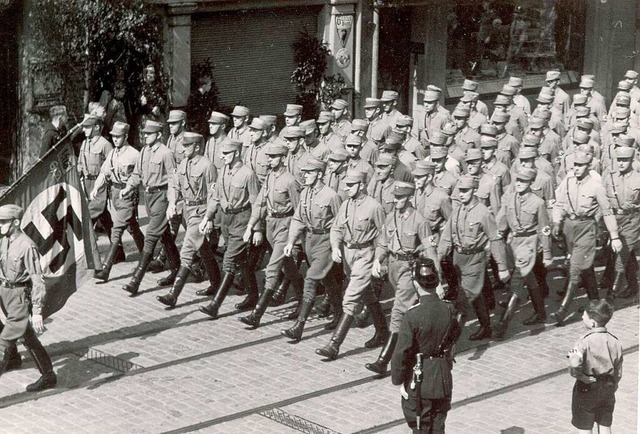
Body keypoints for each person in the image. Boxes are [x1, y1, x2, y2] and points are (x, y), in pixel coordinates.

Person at [366, 181, 440, 375]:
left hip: (409, 267)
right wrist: (377, 260)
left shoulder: (419, 221)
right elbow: (383, 243)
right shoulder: (391, 217)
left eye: (399, 198)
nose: (395, 200)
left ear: (409, 198)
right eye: (395, 197)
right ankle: (415, 344)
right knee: (406, 311)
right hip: (393, 266)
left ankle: (383, 360)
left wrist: (438, 279)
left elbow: (430, 250)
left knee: (398, 310)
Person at [316, 169, 387, 360]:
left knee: (351, 296)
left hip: (365, 254)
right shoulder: (346, 204)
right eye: (346, 185)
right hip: (349, 254)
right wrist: (335, 246)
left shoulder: (374, 207)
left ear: (362, 185)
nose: (346, 189)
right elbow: (337, 228)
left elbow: (384, 237)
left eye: (350, 185)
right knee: (366, 292)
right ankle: (383, 332)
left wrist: (378, 260)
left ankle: (334, 345)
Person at [551, 151, 623, 325]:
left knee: (575, 267)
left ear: (588, 166)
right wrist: (557, 222)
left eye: (580, 165)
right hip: (570, 228)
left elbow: (606, 211)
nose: (576, 168)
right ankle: (596, 303)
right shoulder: (568, 182)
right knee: (586, 267)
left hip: (586, 229)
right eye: (574, 165)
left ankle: (562, 310)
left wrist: (614, 236)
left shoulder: (596, 186)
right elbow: (559, 203)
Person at [390, 257, 460, 434]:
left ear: (415, 283)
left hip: (420, 380)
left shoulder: (412, 315)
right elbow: (455, 332)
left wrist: (398, 379)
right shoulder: (448, 308)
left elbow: (402, 352)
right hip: (443, 376)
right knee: (439, 424)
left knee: (421, 426)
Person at [438, 174, 510, 341]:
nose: (461, 194)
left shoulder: (483, 213)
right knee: (474, 295)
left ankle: (448, 341)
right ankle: (486, 326)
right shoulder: (456, 212)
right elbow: (446, 239)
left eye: (465, 191)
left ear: (474, 190)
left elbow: (495, 239)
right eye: (460, 191)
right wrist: (438, 261)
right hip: (458, 260)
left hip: (475, 260)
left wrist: (502, 267)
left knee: (463, 300)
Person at [239, 142, 303, 328]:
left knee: (273, 269)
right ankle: (303, 299)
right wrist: (251, 226)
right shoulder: (269, 178)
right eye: (268, 157)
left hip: (285, 225)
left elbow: (298, 210)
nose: (269, 160)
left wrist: (295, 235)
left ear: (282, 158)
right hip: (271, 226)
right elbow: (259, 204)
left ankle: (256, 314)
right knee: (288, 267)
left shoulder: (290, 181)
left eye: (273, 157)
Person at [281, 157, 343, 341]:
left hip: (325, 240)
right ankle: (339, 314)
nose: (304, 175)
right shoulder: (305, 193)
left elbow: (339, 224)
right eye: (304, 172)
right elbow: (298, 218)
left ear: (320, 174)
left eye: (309, 172)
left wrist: (336, 246)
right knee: (328, 279)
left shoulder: (331, 196)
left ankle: (299, 326)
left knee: (311, 279)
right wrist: (291, 241)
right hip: (309, 240)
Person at [156, 132, 220, 309]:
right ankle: (216, 282)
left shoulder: (208, 166)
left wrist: (209, 218)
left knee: (187, 249)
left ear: (197, 147)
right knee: (203, 248)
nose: (182, 149)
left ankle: (173, 295)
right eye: (182, 146)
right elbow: (174, 185)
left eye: (187, 146)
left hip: (201, 212)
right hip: (187, 210)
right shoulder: (183, 164)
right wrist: (172, 202)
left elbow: (213, 195)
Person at [198, 138, 260, 319]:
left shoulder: (248, 174)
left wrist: (257, 228)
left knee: (229, 260)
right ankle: (253, 296)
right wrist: (207, 217)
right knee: (242, 261)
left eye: (225, 154)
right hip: (226, 219)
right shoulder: (224, 171)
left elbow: (257, 203)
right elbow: (216, 197)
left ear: (236, 153)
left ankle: (215, 305)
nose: (221, 156)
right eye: (221, 153)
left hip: (242, 219)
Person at [119, 120, 180, 296]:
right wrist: (128, 187)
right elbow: (137, 174)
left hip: (162, 197)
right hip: (149, 197)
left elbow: (172, 180)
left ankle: (135, 280)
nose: (145, 136)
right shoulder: (144, 151)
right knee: (165, 236)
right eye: (144, 133)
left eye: (149, 134)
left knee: (151, 236)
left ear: (159, 135)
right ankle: (176, 271)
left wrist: (172, 203)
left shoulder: (166, 153)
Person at [0, 204, 56, 391]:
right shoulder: (5, 240)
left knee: (3, 344)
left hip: (19, 299)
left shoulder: (27, 246)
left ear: (16, 222)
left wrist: (37, 311)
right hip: (5, 294)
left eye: (3, 222)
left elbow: (38, 280)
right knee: (28, 337)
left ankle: (10, 357)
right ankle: (48, 375)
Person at [494, 168, 552, 338]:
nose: (519, 184)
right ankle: (541, 313)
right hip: (513, 244)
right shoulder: (510, 199)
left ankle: (502, 324)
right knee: (530, 280)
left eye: (523, 181)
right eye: (517, 181)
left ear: (531, 183)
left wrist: (547, 253)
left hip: (529, 244)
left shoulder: (538, 203)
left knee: (517, 283)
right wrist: (496, 238)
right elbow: (502, 221)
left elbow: (544, 229)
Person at [91, 122, 145, 282]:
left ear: (126, 136)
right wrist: (95, 188)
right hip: (115, 193)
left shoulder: (134, 154)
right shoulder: (113, 153)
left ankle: (106, 269)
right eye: (113, 136)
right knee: (132, 226)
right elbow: (103, 173)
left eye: (118, 136)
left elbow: (141, 174)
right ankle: (146, 255)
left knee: (118, 228)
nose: (115, 139)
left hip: (128, 195)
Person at [567, 300, 623, 434]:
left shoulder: (584, 341)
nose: (582, 317)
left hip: (588, 387)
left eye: (584, 316)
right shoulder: (615, 341)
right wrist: (614, 385)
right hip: (608, 386)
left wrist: (580, 376)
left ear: (592, 323)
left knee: (585, 426)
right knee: (605, 424)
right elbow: (618, 370)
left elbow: (574, 363)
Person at [602, 146, 640, 299]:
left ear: (632, 160)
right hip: (615, 220)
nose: (621, 163)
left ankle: (610, 296)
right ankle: (633, 285)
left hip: (632, 220)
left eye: (625, 160)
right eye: (619, 160)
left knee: (622, 255)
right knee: (625, 253)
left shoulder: (638, 178)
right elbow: (603, 201)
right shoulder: (610, 177)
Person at [78, 115, 114, 240]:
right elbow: (80, 163)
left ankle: (86, 248)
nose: (84, 130)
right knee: (104, 216)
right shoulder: (84, 143)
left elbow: (111, 164)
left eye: (87, 127)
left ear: (97, 127)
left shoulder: (105, 144)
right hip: (87, 183)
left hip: (100, 184)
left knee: (90, 215)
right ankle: (118, 249)